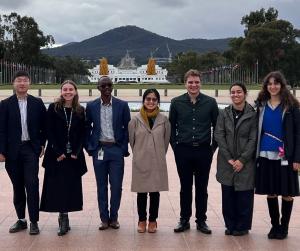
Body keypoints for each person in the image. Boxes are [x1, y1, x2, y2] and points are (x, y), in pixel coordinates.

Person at [169, 69, 219, 233]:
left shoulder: (210, 103)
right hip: (183, 151)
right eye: (190, 82)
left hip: (204, 151)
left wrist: (212, 148)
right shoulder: (176, 103)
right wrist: (176, 147)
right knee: (185, 187)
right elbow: (171, 127)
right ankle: (184, 219)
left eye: (196, 82)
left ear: (200, 83)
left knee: (202, 188)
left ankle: (201, 220)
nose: (193, 85)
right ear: (185, 83)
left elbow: (217, 127)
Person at [0, 70, 46, 235]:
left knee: (32, 184)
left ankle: (34, 221)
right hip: (12, 151)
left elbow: (44, 127)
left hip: (30, 149)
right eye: (19, 80)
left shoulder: (37, 103)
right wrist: (1, 151)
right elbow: (1, 130)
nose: (22, 83)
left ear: (29, 83)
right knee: (17, 186)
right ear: (14, 83)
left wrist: (41, 145)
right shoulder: (5, 105)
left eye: (25, 80)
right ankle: (21, 220)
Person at [255, 71, 300, 239]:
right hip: (266, 154)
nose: (273, 86)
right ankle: (274, 226)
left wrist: (297, 158)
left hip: (286, 156)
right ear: (266, 86)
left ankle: (284, 227)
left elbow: (298, 134)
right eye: (270, 84)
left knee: (287, 192)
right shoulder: (260, 105)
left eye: (276, 83)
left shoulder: (291, 107)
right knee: (271, 191)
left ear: (282, 85)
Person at [40, 80, 87, 236]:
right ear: (61, 91)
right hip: (56, 155)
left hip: (73, 156)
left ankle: (65, 216)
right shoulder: (53, 108)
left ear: (75, 91)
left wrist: (77, 151)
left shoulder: (80, 110)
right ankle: (63, 218)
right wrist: (58, 152)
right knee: (58, 187)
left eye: (71, 89)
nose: (68, 92)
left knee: (70, 187)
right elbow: (49, 131)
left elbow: (83, 134)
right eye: (65, 89)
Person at [85, 76, 131, 230]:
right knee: (101, 186)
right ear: (98, 87)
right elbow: (86, 128)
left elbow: (127, 129)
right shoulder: (91, 106)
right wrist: (90, 147)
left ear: (112, 87)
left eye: (109, 85)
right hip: (100, 149)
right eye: (103, 85)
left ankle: (114, 217)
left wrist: (123, 148)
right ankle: (104, 218)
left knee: (116, 186)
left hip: (116, 150)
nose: (106, 88)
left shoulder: (122, 105)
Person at [215, 82, 257, 236]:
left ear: (245, 94)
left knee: (244, 196)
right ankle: (230, 225)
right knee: (228, 195)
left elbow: (254, 139)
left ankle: (242, 226)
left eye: (239, 92)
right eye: (233, 92)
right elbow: (219, 135)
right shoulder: (224, 113)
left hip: (246, 162)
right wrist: (229, 158)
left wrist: (242, 160)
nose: (236, 95)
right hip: (226, 162)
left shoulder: (253, 114)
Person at [128, 89, 171, 233]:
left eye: (154, 99)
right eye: (148, 99)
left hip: (157, 160)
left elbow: (166, 141)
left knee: (154, 192)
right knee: (141, 192)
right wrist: (140, 154)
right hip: (141, 160)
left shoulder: (164, 120)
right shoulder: (135, 120)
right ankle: (141, 220)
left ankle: (153, 220)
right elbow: (132, 141)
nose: (151, 102)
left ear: (158, 101)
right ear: (143, 100)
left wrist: (157, 154)